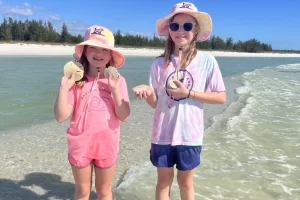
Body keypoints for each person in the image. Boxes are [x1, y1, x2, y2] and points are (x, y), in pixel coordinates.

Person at [132, 2, 226, 200]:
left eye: (187, 26)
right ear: (169, 30)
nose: (180, 31)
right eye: (175, 26)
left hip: (190, 135)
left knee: (186, 184)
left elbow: (220, 97)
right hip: (162, 134)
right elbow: (156, 103)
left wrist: (189, 93)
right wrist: (147, 92)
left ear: (196, 30)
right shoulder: (159, 63)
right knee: (163, 184)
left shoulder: (207, 60)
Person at [54, 25, 130, 200]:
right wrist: (63, 88)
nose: (98, 53)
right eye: (93, 47)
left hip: (107, 144)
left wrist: (115, 90)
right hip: (80, 145)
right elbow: (60, 117)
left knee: (104, 192)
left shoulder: (119, 81)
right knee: (82, 193)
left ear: (111, 54)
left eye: (104, 49)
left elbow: (124, 116)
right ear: (85, 51)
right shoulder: (76, 81)